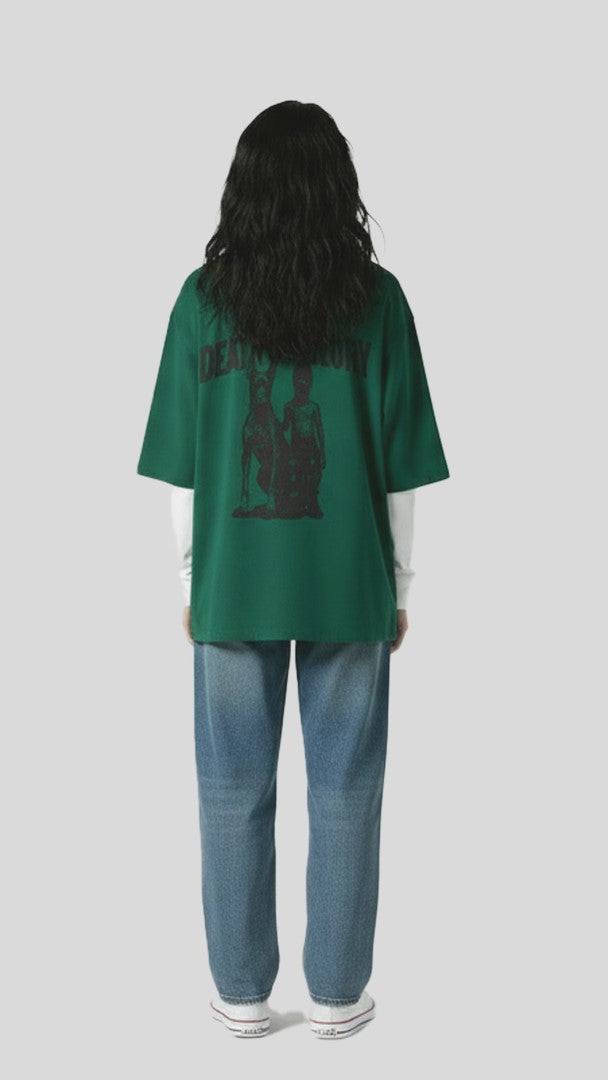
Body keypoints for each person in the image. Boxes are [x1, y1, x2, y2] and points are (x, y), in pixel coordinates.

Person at [136, 100, 450, 1040]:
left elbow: (185, 474)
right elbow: (399, 471)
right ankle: (337, 995)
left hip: (233, 582)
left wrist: (191, 581)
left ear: (245, 190)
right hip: (348, 579)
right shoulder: (377, 301)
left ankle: (241, 994)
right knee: (347, 788)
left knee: (230, 790)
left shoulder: (202, 301)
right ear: (335, 188)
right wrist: (399, 587)